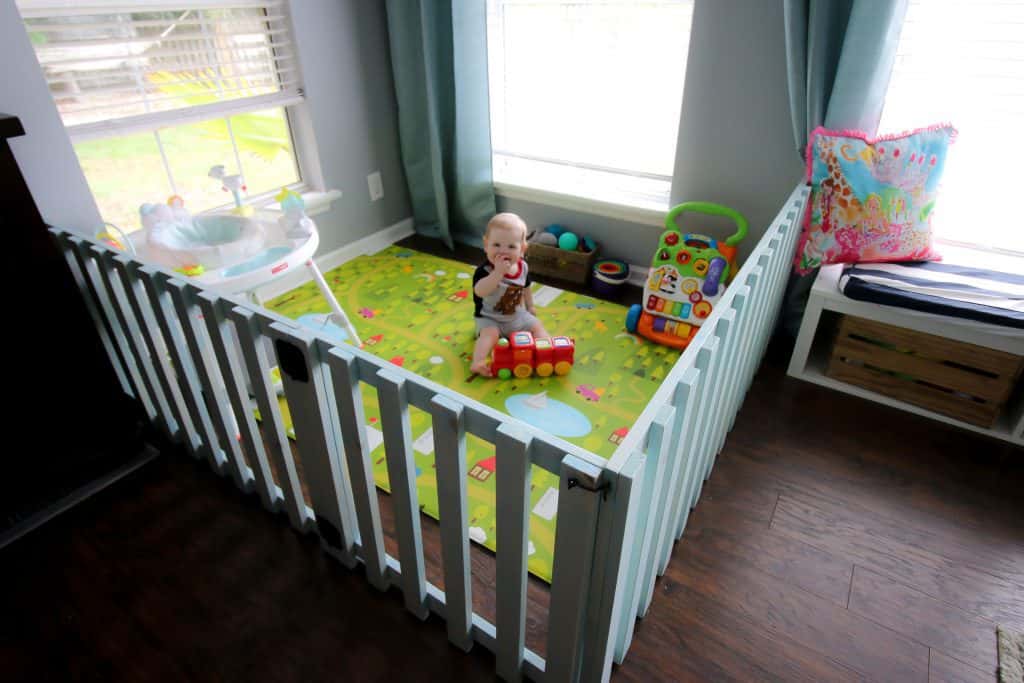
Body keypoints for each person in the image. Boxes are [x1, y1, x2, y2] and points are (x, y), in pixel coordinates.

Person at [470, 213, 550, 376]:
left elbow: (526, 287)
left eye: (511, 247)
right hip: (490, 318)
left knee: (536, 325)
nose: (503, 251)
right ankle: (477, 362)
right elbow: (480, 291)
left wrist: (530, 306)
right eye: (496, 245)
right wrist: (498, 273)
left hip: (516, 315)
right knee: (489, 334)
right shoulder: (485, 271)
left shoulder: (523, 267)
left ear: (522, 249)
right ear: (486, 245)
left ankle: (546, 351)